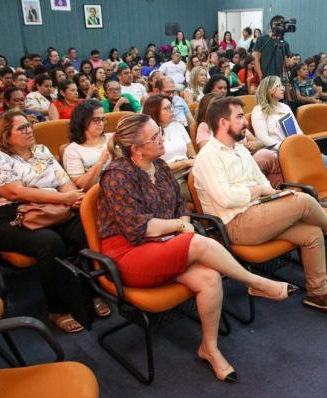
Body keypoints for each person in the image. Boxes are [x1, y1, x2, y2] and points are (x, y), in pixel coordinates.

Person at [99, 112, 296, 382]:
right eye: (155, 136)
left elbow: (181, 208)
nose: (162, 138)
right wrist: (180, 227)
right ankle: (256, 281)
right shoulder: (116, 176)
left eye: (160, 131)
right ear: (136, 149)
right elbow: (138, 229)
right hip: (129, 254)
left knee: (210, 278)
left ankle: (209, 348)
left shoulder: (161, 166)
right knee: (195, 241)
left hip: (164, 245)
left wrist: (181, 222)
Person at [194, 96, 327, 314]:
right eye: (239, 117)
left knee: (312, 232)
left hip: (258, 212)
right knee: (304, 200)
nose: (245, 122)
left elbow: (263, 182)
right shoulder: (208, 156)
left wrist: (273, 195)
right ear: (222, 122)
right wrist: (259, 192)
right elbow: (228, 199)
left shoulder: (239, 150)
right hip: (235, 225)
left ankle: (318, 294)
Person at [0, 109, 111, 333]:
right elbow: (14, 192)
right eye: (22, 128)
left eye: (29, 125)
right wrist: (64, 198)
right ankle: (57, 309)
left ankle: (93, 292)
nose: (29, 130)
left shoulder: (42, 151)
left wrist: (76, 199)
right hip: (13, 217)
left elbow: (65, 183)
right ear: (5, 135)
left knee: (85, 230)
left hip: (53, 209)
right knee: (49, 243)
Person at [195, 92, 282, 188]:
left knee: (276, 171)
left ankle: (288, 189)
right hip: (232, 165)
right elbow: (208, 149)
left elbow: (258, 142)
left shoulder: (238, 128)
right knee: (267, 155)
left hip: (247, 158)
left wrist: (255, 145)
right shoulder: (205, 127)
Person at [252, 76, 327, 167]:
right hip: (278, 151)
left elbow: (298, 131)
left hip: (295, 147)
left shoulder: (285, 107)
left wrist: (302, 144)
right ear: (269, 89)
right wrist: (286, 147)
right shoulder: (259, 110)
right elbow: (262, 138)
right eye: (278, 86)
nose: (282, 88)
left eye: (282, 86)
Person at [142, 95, 196, 200]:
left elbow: (193, 155)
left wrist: (192, 164)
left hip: (189, 172)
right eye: (166, 108)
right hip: (168, 178)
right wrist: (184, 163)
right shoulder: (149, 135)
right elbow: (154, 167)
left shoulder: (178, 126)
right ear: (155, 112)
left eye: (171, 106)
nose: (172, 110)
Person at [63, 99, 112, 191]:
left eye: (103, 119)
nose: (101, 123)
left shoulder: (112, 138)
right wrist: (101, 162)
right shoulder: (73, 150)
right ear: (82, 121)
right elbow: (82, 187)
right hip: (98, 193)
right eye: (96, 119)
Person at [253, 15, 291, 80]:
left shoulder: (285, 44)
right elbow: (255, 59)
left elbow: (285, 63)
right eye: (279, 26)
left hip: (279, 79)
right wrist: (260, 75)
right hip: (265, 77)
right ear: (272, 26)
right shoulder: (262, 39)